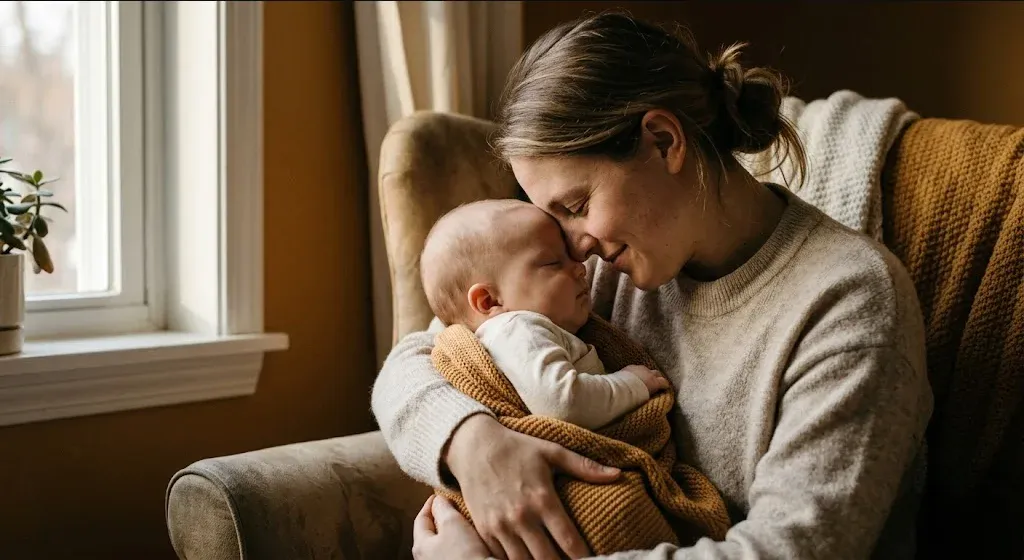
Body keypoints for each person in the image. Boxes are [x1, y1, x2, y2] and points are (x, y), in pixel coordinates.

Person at [372, 11, 933, 560]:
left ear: (664, 141)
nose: (575, 245)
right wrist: (471, 442)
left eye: (577, 205)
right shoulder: (590, 266)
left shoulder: (850, 302)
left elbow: (788, 550)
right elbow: (414, 359)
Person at [419, 198, 670, 431]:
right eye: (552, 263)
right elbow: (563, 404)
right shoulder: (517, 329)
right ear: (489, 300)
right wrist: (633, 384)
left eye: (569, 256)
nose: (581, 268)